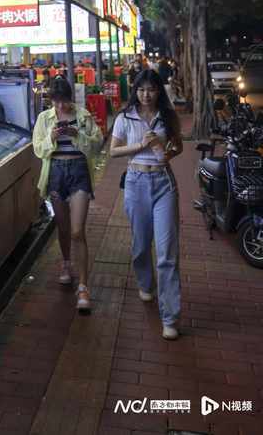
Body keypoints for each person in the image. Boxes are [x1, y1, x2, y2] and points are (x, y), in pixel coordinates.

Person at [110, 69, 183, 340]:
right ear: (135, 90)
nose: (146, 94)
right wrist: (140, 145)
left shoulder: (167, 116)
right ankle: (145, 282)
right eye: (141, 89)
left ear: (158, 90)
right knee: (141, 245)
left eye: (151, 89)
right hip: (135, 181)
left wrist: (166, 153)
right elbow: (113, 151)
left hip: (164, 183)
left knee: (167, 253)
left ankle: (170, 317)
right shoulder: (125, 117)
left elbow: (178, 147)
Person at [32, 76, 104, 313]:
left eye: (64, 101)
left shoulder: (83, 115)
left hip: (79, 172)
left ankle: (83, 286)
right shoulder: (44, 118)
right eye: (56, 101)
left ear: (70, 99)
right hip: (55, 173)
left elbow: (98, 144)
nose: (61, 106)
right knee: (62, 227)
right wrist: (51, 138)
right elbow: (38, 149)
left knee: (77, 230)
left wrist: (77, 135)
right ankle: (65, 264)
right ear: (51, 100)